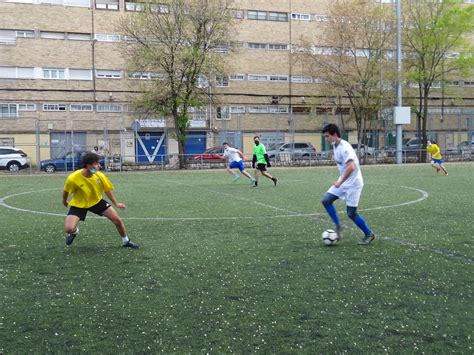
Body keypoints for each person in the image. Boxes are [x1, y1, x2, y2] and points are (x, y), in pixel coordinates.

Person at [62, 152, 139, 249]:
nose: (99, 165)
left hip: (96, 202)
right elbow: (66, 191)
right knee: (69, 229)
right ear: (88, 165)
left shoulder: (100, 176)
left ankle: (126, 241)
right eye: (96, 163)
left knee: (117, 220)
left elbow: (107, 190)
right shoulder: (73, 178)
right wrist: (64, 201)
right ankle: (75, 232)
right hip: (79, 204)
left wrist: (116, 203)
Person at [321, 124, 375, 245]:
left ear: (335, 135)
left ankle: (369, 234)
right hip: (344, 182)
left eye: (327, 136)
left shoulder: (345, 147)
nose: (326, 139)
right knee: (326, 200)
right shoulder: (335, 145)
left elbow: (351, 166)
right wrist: (341, 181)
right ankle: (338, 226)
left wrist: (340, 182)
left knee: (351, 213)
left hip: (354, 184)